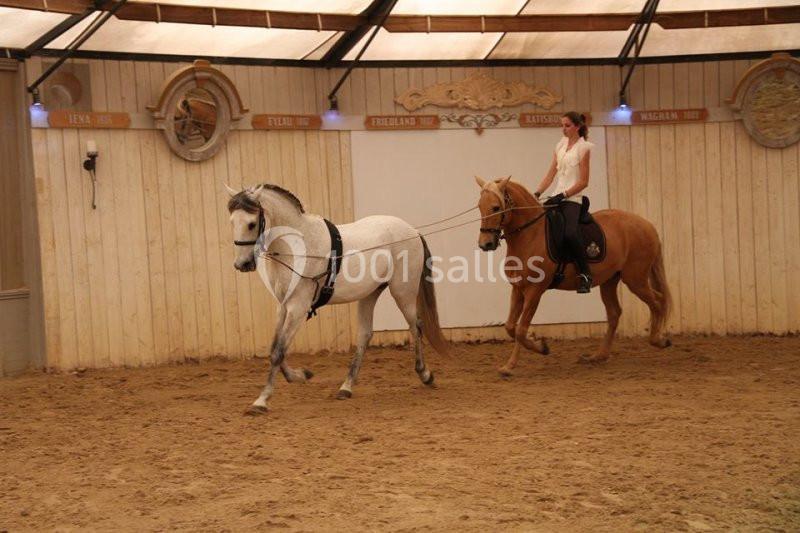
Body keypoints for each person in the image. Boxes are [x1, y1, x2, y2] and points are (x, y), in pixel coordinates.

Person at [534, 111, 594, 293]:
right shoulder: (560, 145)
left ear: (578, 127)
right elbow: (550, 175)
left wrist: (563, 195)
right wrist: (536, 193)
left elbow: (584, 181)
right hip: (555, 197)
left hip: (572, 199)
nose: (564, 129)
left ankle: (585, 274)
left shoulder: (584, 148)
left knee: (569, 233)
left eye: (567, 125)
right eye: (562, 125)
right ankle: (554, 270)